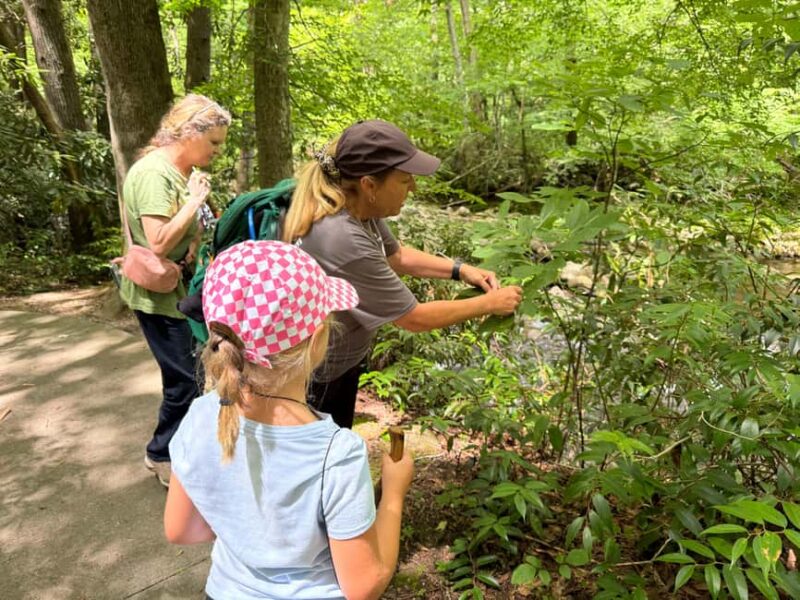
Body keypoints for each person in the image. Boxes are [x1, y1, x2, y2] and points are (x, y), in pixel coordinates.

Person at [164, 240, 415, 600]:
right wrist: (393, 494)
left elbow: (181, 530)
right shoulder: (335, 454)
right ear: (317, 340)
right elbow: (364, 584)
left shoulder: (202, 415)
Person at [281, 119, 523, 428]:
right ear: (369, 184)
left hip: (334, 363)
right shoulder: (342, 236)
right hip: (315, 379)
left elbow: (397, 255)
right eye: (405, 179)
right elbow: (413, 318)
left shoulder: (355, 206)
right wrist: (489, 304)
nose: (414, 187)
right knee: (322, 465)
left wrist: (461, 271)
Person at [119, 94, 231, 487]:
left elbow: (189, 234)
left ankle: (185, 448)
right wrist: (195, 200)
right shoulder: (154, 174)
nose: (218, 151)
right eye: (214, 142)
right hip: (158, 298)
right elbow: (160, 242)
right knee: (185, 377)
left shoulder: (181, 173)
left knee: (194, 373)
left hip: (179, 289)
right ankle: (161, 453)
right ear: (188, 132)